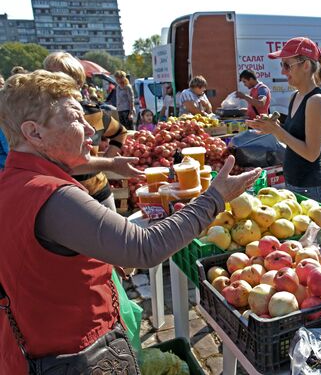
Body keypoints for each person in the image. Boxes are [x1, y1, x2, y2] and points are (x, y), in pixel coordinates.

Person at [0, 70, 261, 373]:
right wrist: (215, 196)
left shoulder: (14, 183)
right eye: (74, 118)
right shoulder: (52, 195)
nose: (89, 128)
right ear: (34, 133)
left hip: (35, 348)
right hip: (76, 355)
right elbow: (145, 248)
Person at [246, 37, 321, 203]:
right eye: (282, 65)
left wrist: (277, 131)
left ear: (306, 66)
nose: (283, 72)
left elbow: (311, 154)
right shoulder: (296, 96)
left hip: (310, 187)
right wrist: (271, 126)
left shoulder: (316, 101)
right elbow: (293, 136)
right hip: (295, 182)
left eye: (287, 65)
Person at [44, 52, 132, 211]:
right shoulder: (42, 119)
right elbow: (67, 165)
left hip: (98, 191)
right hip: (62, 198)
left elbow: (120, 132)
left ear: (78, 82)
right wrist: (109, 163)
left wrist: (107, 158)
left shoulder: (93, 113)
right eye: (51, 77)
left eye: (63, 78)